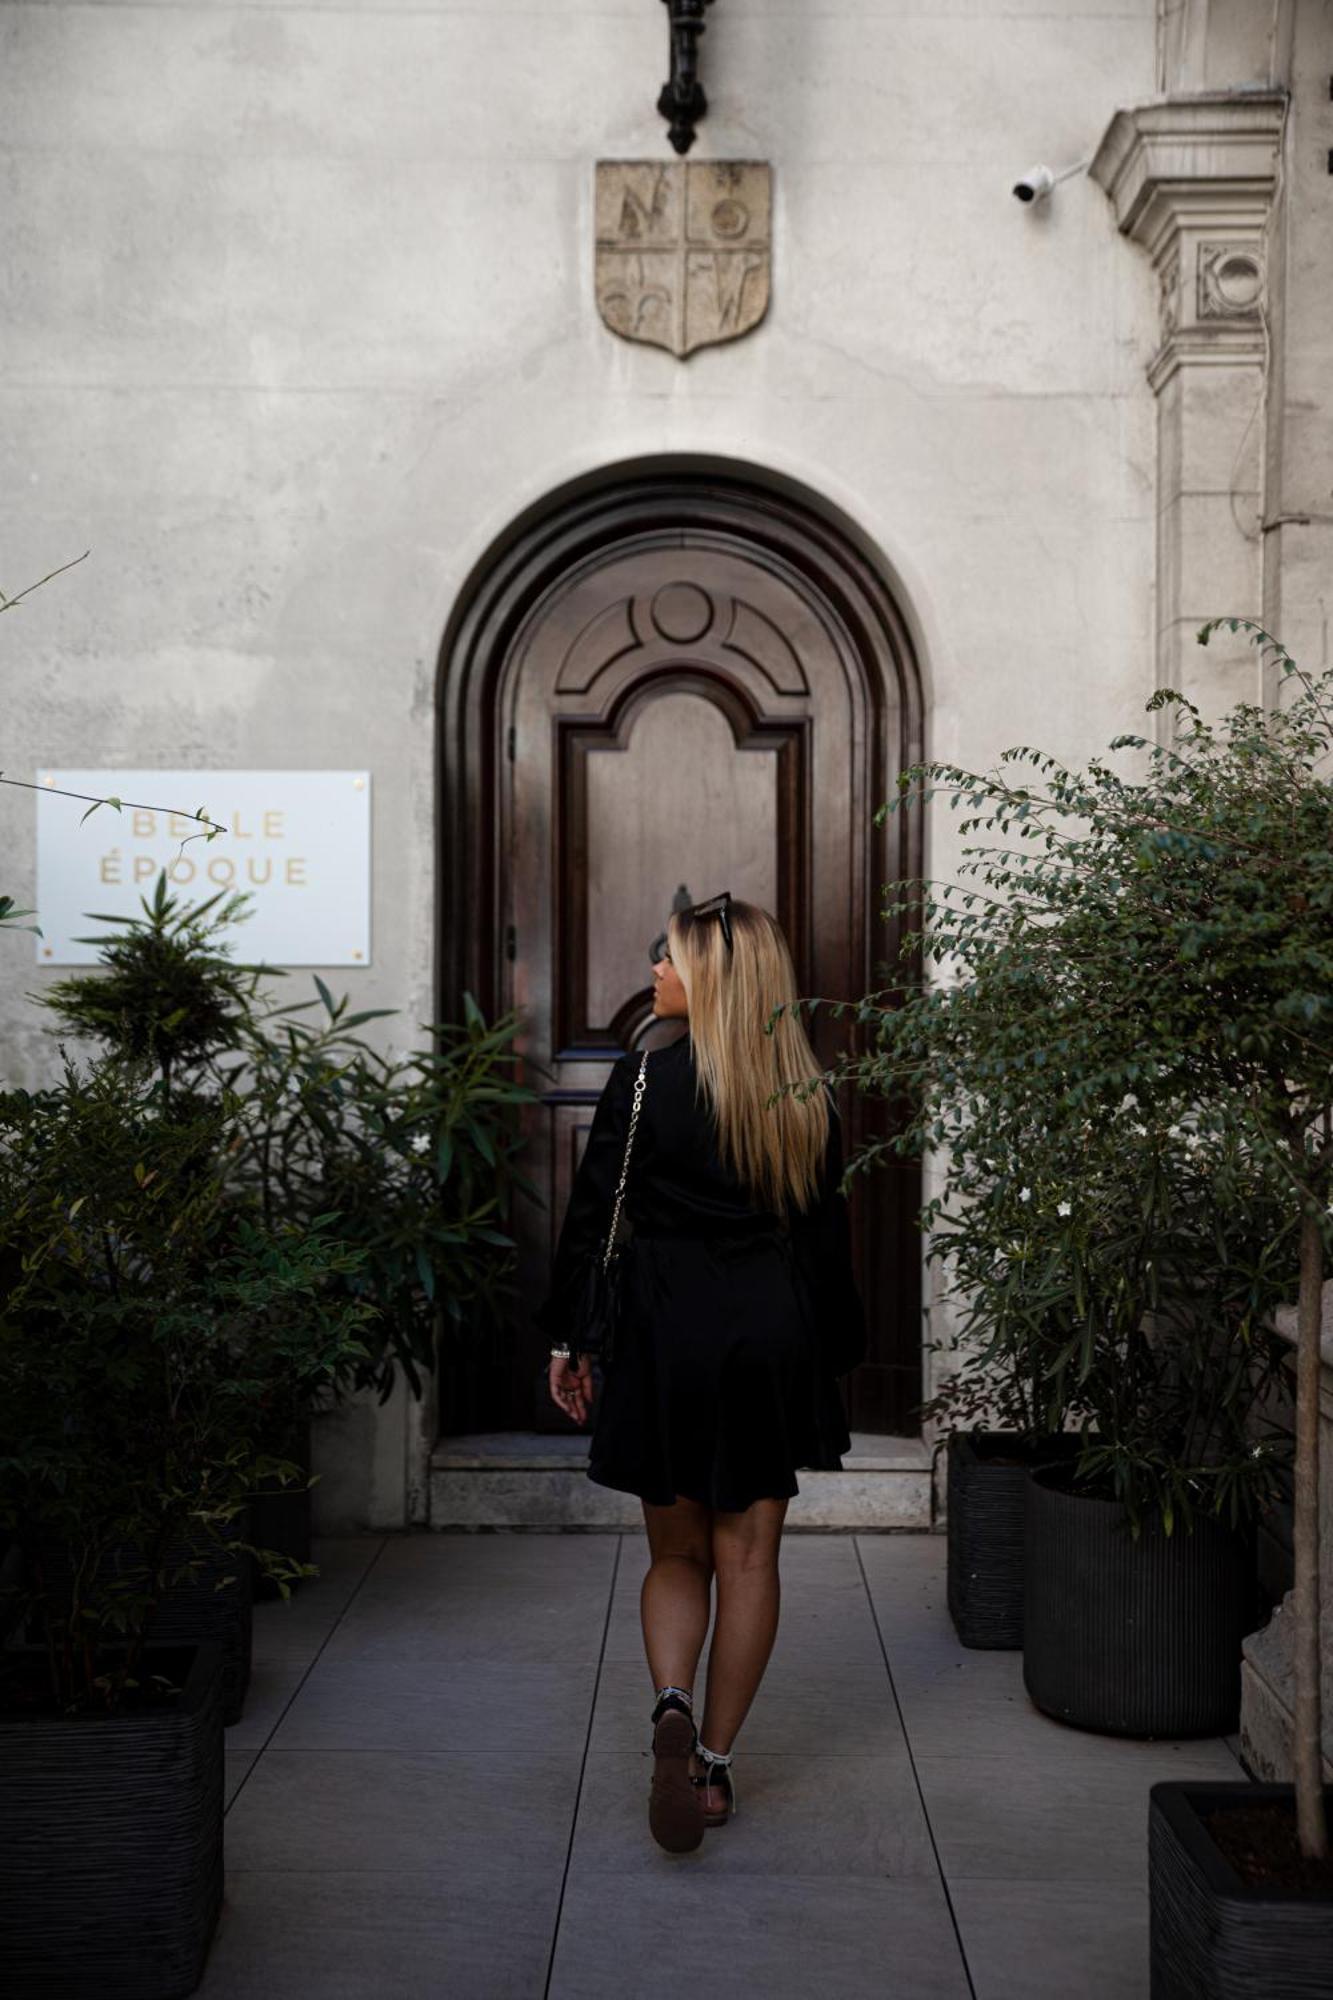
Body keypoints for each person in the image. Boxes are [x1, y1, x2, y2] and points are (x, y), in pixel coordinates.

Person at [538, 892, 867, 1855]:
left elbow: (595, 1218)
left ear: (711, 978)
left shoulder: (644, 1081)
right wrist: (829, 1359)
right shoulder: (805, 1093)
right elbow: (825, 1247)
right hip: (768, 1334)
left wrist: (572, 1340)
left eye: (669, 960)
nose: (654, 972)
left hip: (662, 1329)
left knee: (674, 1556)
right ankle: (714, 1768)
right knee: (749, 1560)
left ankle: (670, 1704)